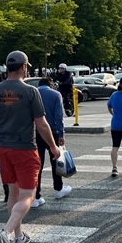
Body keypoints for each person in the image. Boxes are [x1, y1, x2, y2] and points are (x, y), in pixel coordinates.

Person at [0, 51, 60, 243]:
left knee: (13, 192)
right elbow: (41, 124)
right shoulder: (31, 91)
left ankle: (18, 237)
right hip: (25, 148)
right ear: (23, 67)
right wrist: (53, 146)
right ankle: (5, 233)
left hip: (2, 148)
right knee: (28, 195)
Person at [32, 77, 71, 208]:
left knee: (38, 164)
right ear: (51, 84)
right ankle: (58, 189)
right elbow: (59, 115)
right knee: (56, 161)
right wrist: (61, 134)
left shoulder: (33, 93)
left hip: (35, 132)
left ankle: (36, 195)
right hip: (52, 132)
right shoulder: (55, 94)